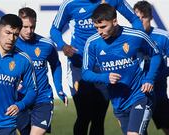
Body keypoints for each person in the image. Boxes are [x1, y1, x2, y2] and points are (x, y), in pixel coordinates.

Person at [50, 0, 143, 135]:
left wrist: (136, 40)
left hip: (104, 65)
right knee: (84, 115)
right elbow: (54, 29)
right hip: (79, 66)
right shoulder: (70, 4)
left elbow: (134, 19)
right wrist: (63, 46)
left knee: (99, 118)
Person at [82, 3, 161, 135]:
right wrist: (104, 77)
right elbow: (85, 73)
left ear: (114, 21)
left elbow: (156, 55)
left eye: (103, 27)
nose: (100, 32)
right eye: (96, 28)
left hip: (140, 95)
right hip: (119, 102)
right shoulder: (92, 43)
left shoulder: (136, 36)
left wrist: (149, 79)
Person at [16, 7, 68, 135]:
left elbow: (56, 65)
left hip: (42, 98)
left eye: (32, 27)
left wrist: (59, 89)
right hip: (19, 100)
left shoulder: (46, 45)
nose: (29, 31)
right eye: (25, 27)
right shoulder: (11, 45)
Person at [133, 1, 169, 135]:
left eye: (144, 17)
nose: (141, 21)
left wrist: (161, 74)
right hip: (136, 93)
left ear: (151, 18)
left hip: (159, 92)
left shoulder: (163, 37)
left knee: (166, 126)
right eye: (137, 18)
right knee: (137, 130)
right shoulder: (128, 38)